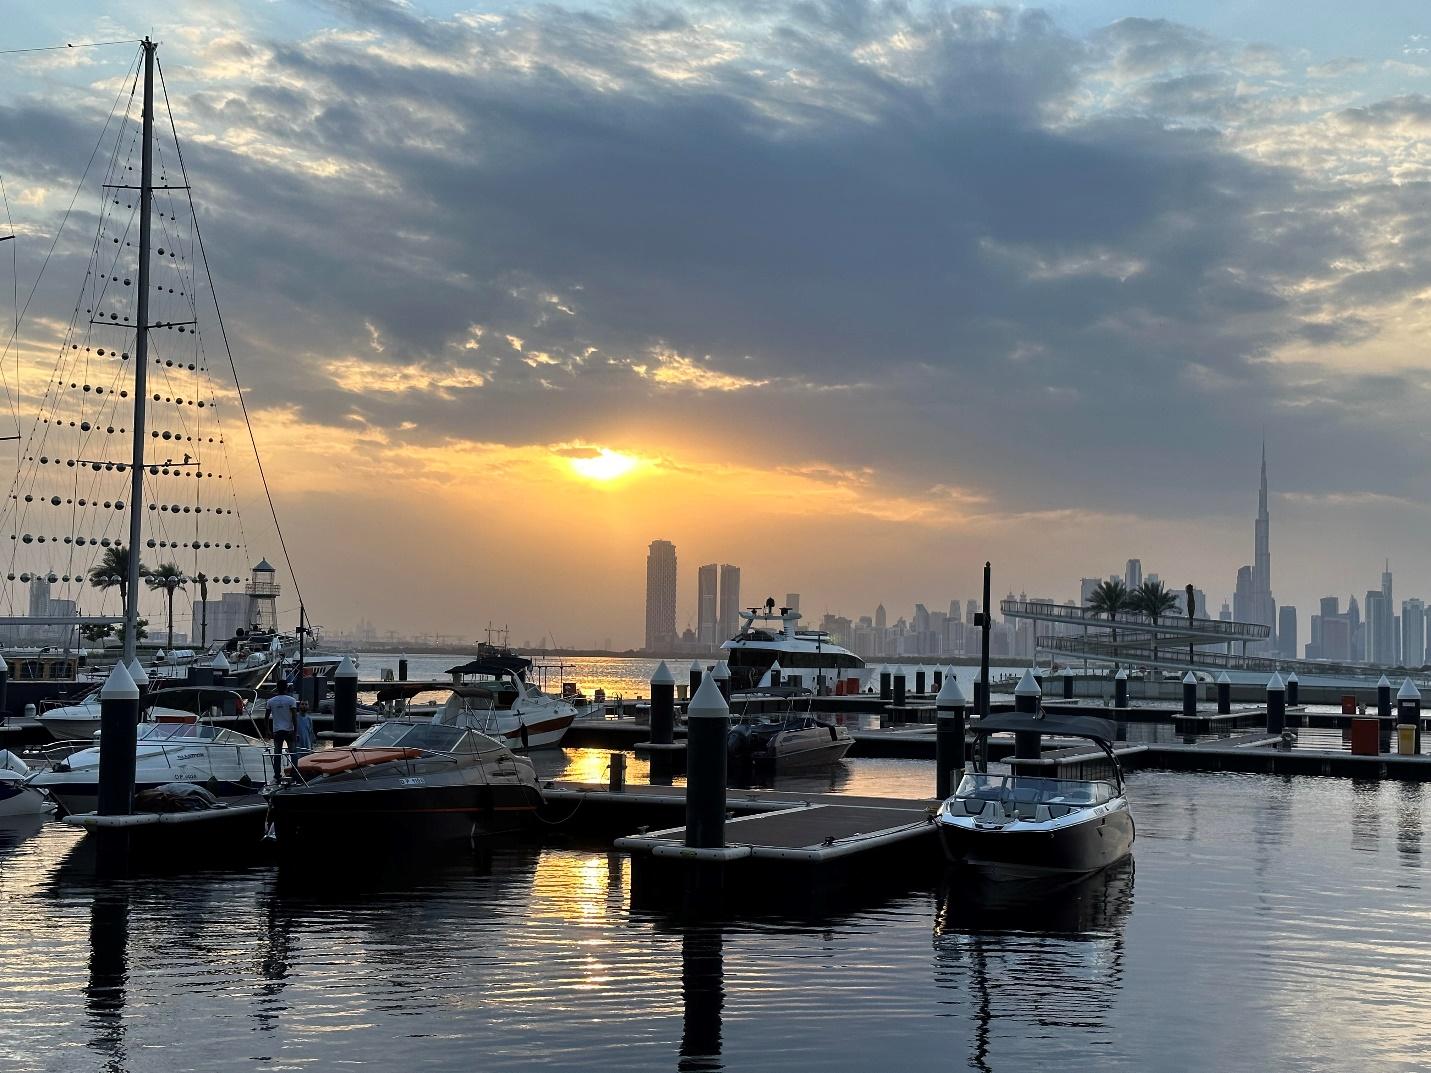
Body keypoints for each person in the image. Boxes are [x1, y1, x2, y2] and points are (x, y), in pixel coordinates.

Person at [266, 682, 299, 781]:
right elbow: (294, 717)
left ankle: (277, 775)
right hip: (289, 731)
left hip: (277, 731)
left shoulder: (270, 701)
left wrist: (268, 730)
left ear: (277, 688)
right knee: (293, 753)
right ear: (286, 688)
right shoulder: (291, 700)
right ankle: (294, 774)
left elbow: (266, 717)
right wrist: (295, 731)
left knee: (277, 754)